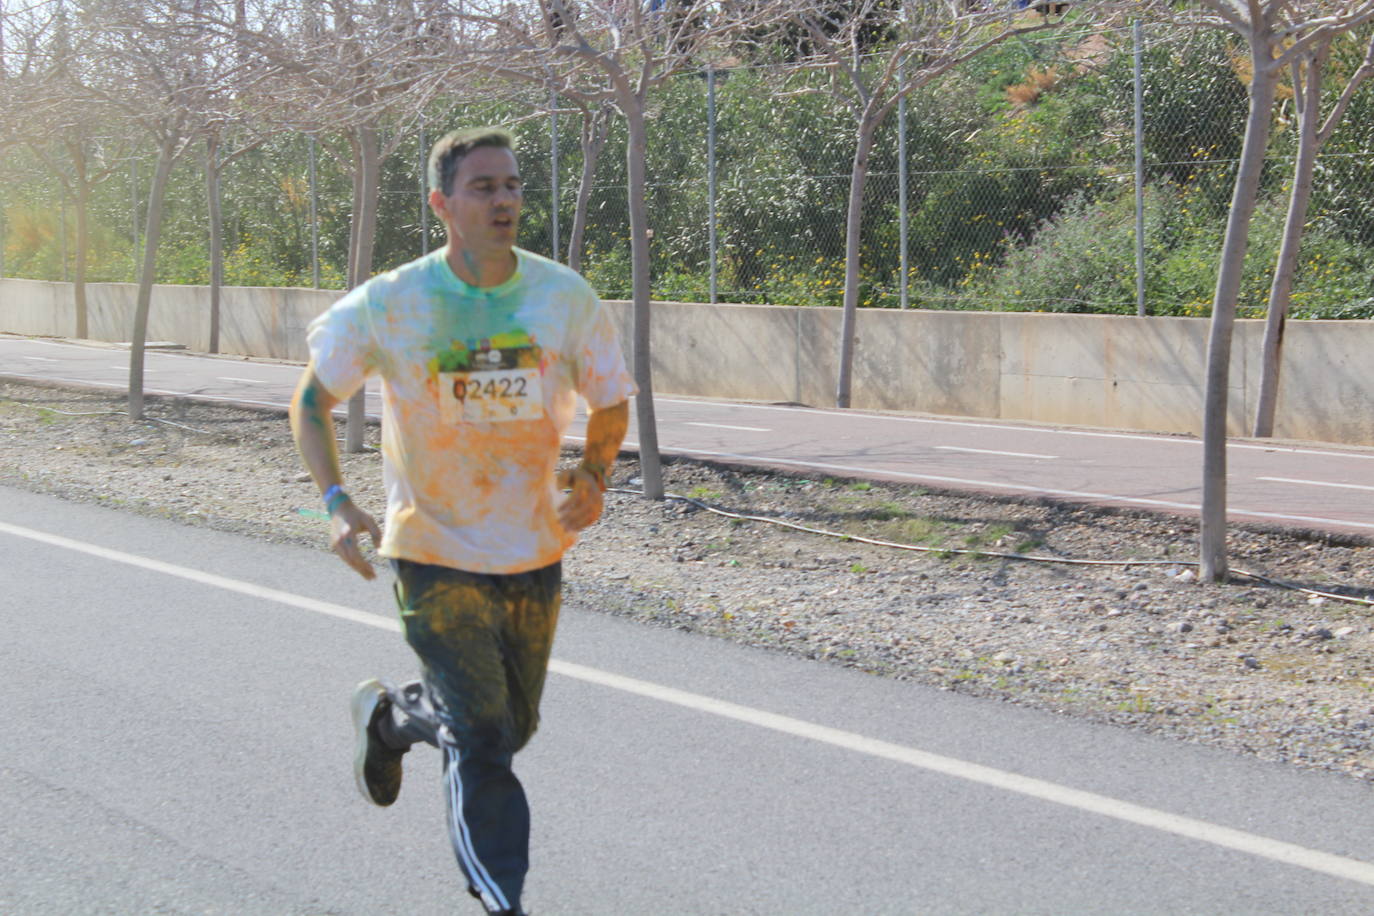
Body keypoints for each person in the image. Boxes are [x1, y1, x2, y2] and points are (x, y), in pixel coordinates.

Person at [289, 126, 633, 916]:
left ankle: (393, 717)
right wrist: (337, 503)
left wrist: (595, 472)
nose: (505, 200)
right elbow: (310, 404)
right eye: (484, 187)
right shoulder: (391, 302)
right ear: (444, 205)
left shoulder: (562, 297)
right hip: (431, 548)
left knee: (511, 726)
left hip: (531, 547)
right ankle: (499, 899)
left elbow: (611, 402)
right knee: (482, 739)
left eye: (512, 185)